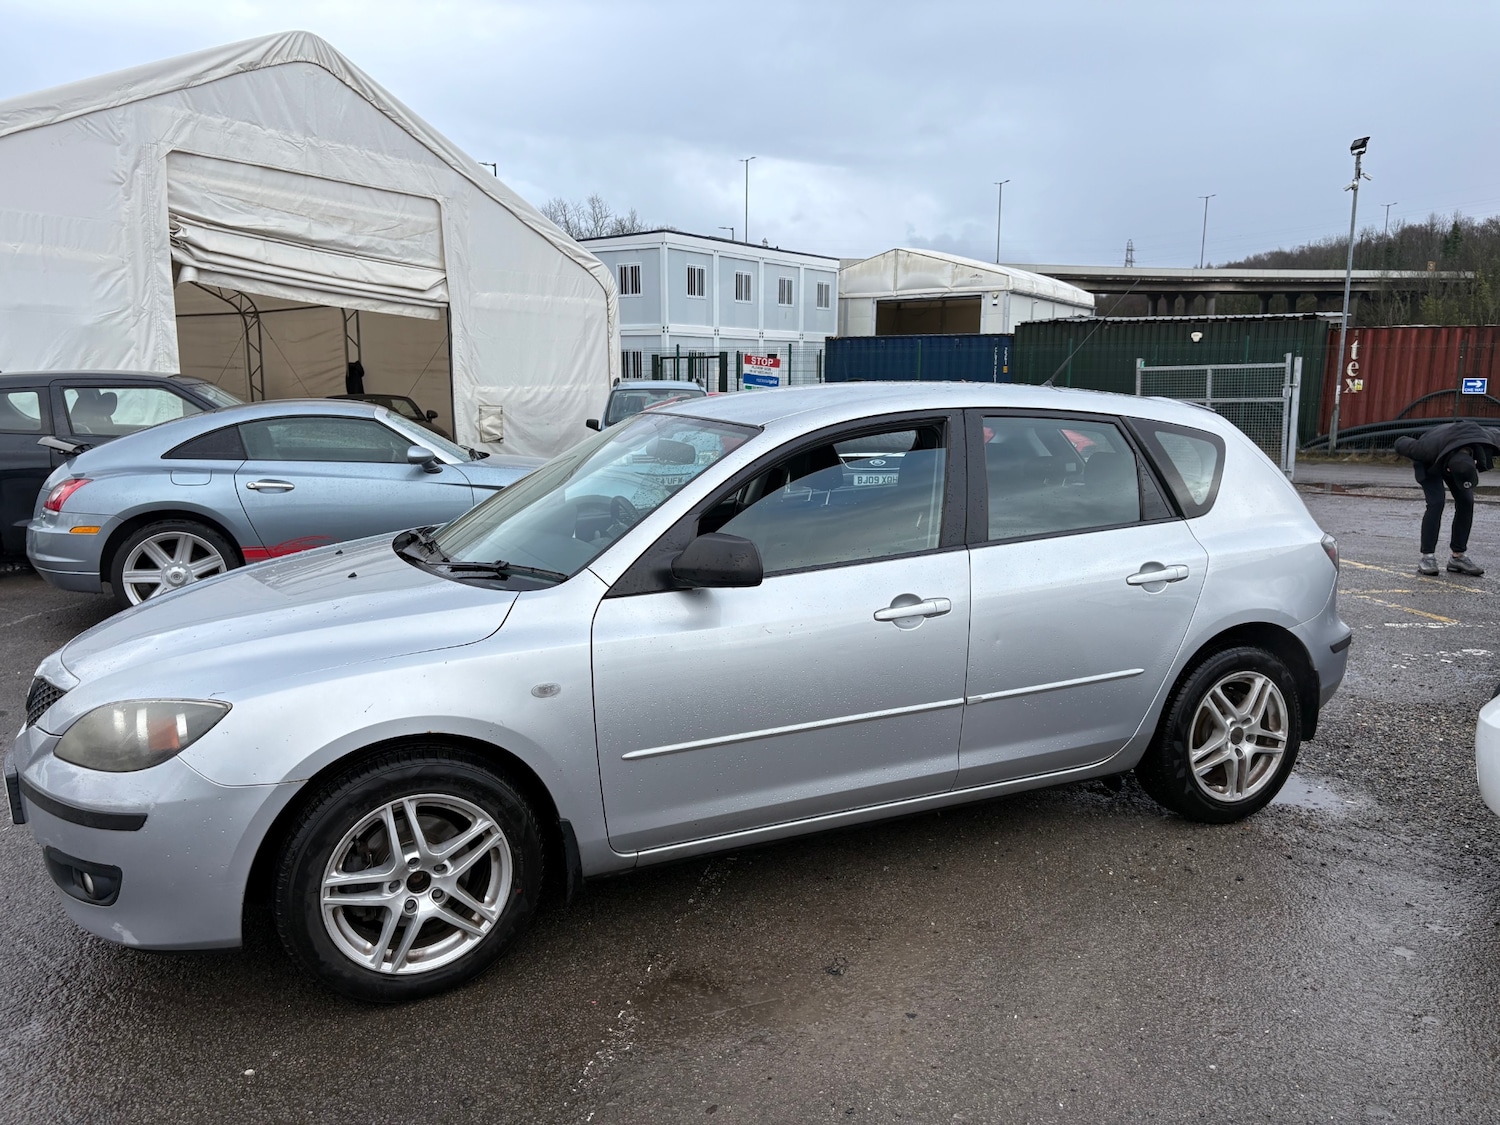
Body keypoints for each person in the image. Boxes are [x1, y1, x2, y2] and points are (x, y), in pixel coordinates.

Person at [1393, 419, 1500, 576]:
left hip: (1456, 452)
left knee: (1466, 501)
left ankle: (1458, 557)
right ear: (1449, 468)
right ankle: (1427, 558)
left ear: (1474, 460)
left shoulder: (1489, 441)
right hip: (1430, 462)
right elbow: (1400, 442)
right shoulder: (1423, 449)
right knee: (1436, 503)